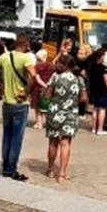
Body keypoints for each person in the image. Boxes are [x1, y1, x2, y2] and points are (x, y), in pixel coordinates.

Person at [0, 34, 36, 181]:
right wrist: (27, 91)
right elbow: (33, 74)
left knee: (6, 135)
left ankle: (5, 165)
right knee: (16, 137)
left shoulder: (4, 57)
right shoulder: (26, 58)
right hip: (20, 103)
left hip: (6, 102)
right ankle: (10, 168)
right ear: (25, 45)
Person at [45, 54, 87, 183]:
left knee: (53, 142)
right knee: (65, 143)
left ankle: (51, 169)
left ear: (63, 65)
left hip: (55, 112)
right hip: (70, 113)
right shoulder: (79, 79)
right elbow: (83, 98)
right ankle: (62, 173)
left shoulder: (55, 77)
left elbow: (47, 95)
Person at [88, 49, 107, 136]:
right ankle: (100, 128)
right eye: (103, 56)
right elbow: (106, 80)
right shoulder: (103, 68)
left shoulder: (92, 66)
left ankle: (94, 128)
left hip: (93, 90)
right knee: (102, 109)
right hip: (102, 91)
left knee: (95, 109)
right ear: (100, 57)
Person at [31, 49, 54, 127]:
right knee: (47, 106)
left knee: (37, 107)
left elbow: (37, 79)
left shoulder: (36, 66)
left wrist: (43, 85)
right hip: (49, 88)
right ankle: (49, 123)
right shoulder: (51, 66)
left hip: (38, 88)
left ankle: (39, 123)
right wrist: (48, 85)